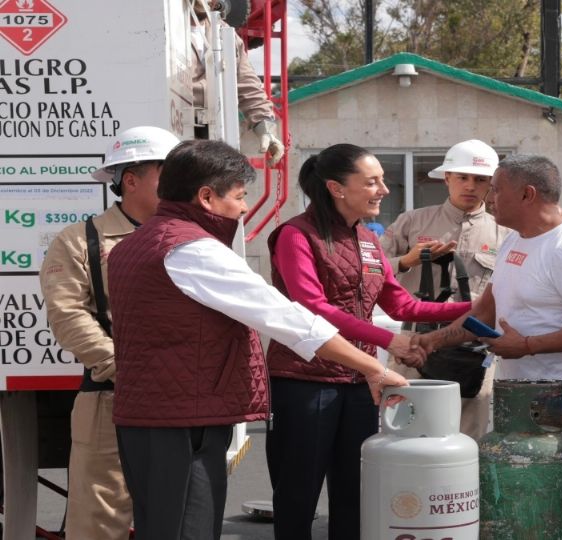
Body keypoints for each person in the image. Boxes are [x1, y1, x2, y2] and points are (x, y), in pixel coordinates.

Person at [106, 139, 407, 540]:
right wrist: (373, 366)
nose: (246, 207)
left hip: (152, 412)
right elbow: (286, 317)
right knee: (188, 528)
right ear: (207, 197)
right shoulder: (192, 250)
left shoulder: (136, 244)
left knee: (161, 525)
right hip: (183, 420)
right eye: (240, 196)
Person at [265, 144, 472, 539]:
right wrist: (387, 342)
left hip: (359, 383)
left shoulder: (368, 240)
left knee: (356, 497)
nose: (384, 189)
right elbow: (314, 307)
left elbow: (401, 304)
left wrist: (471, 309)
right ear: (336, 188)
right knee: (297, 497)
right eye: (372, 181)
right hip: (303, 382)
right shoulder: (295, 235)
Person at [419, 155, 562, 540]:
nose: (488, 197)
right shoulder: (515, 239)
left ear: (528, 194)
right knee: (527, 498)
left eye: (496, 189)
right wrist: (429, 341)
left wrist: (527, 346)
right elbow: (484, 313)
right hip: (518, 396)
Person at [38, 126, 180, 540]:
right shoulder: (80, 241)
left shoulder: (192, 240)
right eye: (165, 173)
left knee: (180, 518)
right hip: (112, 398)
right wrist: (126, 369)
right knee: (99, 523)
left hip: (185, 401)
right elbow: (68, 316)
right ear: (130, 180)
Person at [380, 139, 509, 439]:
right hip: (413, 343)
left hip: (473, 346)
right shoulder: (411, 221)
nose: (470, 186)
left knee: (468, 437)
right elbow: (371, 271)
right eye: (462, 177)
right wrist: (407, 261)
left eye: (480, 179)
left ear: (491, 183)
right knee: (404, 429)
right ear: (447, 177)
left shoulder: (504, 231)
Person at [191, 0, 284, 165]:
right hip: (172, 127)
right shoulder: (160, 23)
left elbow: (247, 83)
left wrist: (265, 128)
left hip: (212, 131)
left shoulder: (222, 30)